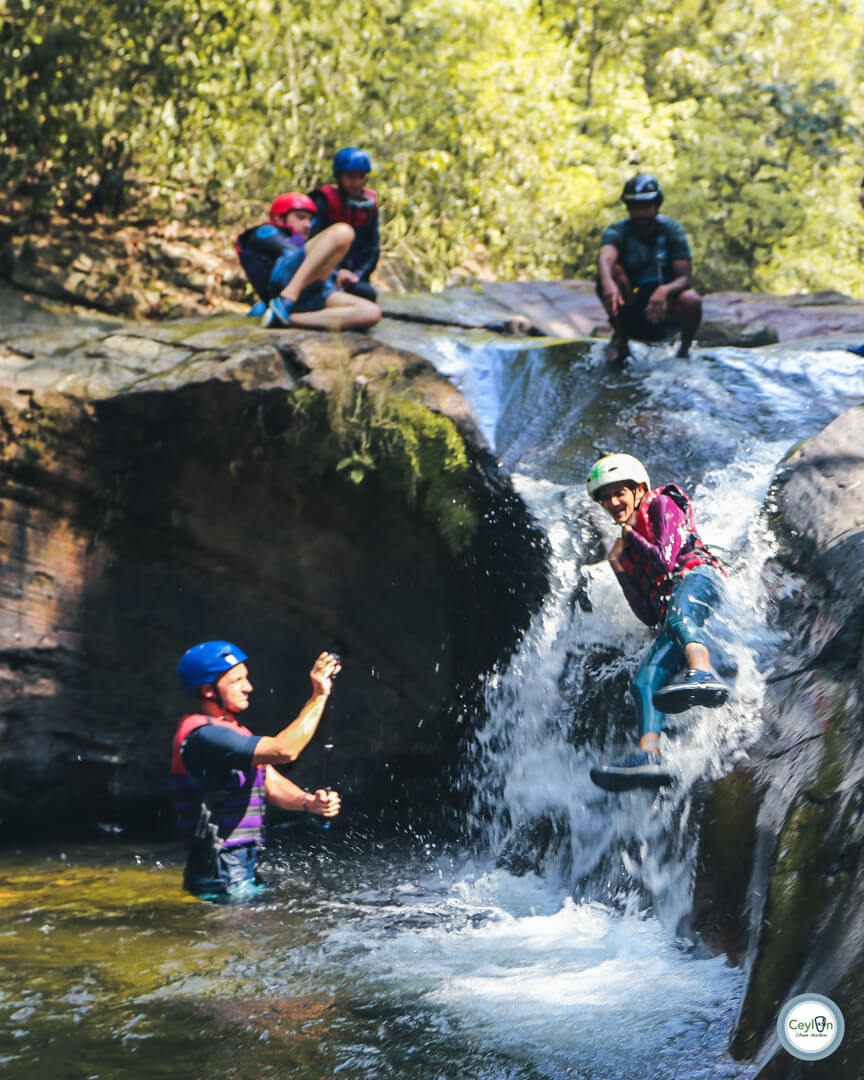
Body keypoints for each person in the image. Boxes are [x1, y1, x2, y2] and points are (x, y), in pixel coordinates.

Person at [585, 454, 729, 790]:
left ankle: (703, 673)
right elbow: (649, 614)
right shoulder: (623, 548)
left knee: (679, 615)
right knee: (645, 678)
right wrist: (619, 567)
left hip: (700, 578)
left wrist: (629, 537)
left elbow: (667, 560)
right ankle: (649, 754)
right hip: (674, 609)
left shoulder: (661, 504)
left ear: (638, 490)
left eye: (618, 493)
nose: (612, 502)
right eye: (605, 498)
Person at [171, 641, 342, 901]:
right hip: (219, 876)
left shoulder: (233, 733)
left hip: (238, 870)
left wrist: (310, 803)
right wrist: (318, 696)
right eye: (238, 680)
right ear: (208, 690)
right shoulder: (203, 737)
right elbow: (285, 750)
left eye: (246, 678)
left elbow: (270, 782)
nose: (248, 687)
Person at [235, 191, 381, 330]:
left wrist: (337, 272)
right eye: (300, 217)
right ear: (279, 218)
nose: (308, 225)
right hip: (285, 285)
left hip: (311, 292)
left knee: (372, 312)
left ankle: (283, 319)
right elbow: (290, 252)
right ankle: (286, 299)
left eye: (310, 219)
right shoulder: (265, 232)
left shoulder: (298, 240)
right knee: (344, 232)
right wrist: (333, 269)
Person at [596, 174, 702, 363]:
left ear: (656, 205)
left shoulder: (672, 230)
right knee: (610, 273)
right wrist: (607, 284)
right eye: (635, 207)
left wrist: (664, 290)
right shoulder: (618, 231)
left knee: (691, 299)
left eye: (646, 206)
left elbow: (685, 278)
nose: (641, 213)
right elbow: (606, 257)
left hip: (666, 310)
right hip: (632, 308)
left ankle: (684, 352)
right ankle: (620, 339)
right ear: (628, 208)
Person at [309, 147, 380, 303]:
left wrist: (357, 275)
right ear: (339, 177)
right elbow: (311, 241)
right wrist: (335, 272)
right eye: (351, 177)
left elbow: (373, 249)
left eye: (361, 177)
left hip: (353, 274)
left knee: (368, 294)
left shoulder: (370, 206)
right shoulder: (323, 200)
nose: (356, 182)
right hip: (323, 271)